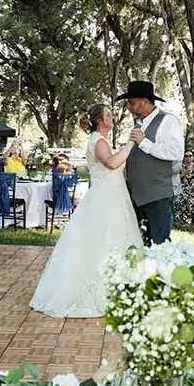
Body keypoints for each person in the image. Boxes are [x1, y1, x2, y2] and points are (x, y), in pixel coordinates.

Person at [30, 103, 142, 317]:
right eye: (109, 115)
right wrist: (130, 144)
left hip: (113, 195)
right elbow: (111, 163)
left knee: (114, 238)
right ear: (101, 120)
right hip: (105, 198)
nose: (112, 117)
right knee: (102, 240)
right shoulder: (98, 141)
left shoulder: (100, 140)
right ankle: (99, 291)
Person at [120, 80, 185, 245]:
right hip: (137, 197)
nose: (129, 107)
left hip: (159, 196)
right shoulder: (137, 125)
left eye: (132, 103)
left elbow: (176, 153)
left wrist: (144, 143)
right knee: (139, 244)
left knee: (160, 245)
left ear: (144, 102)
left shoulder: (168, 121)